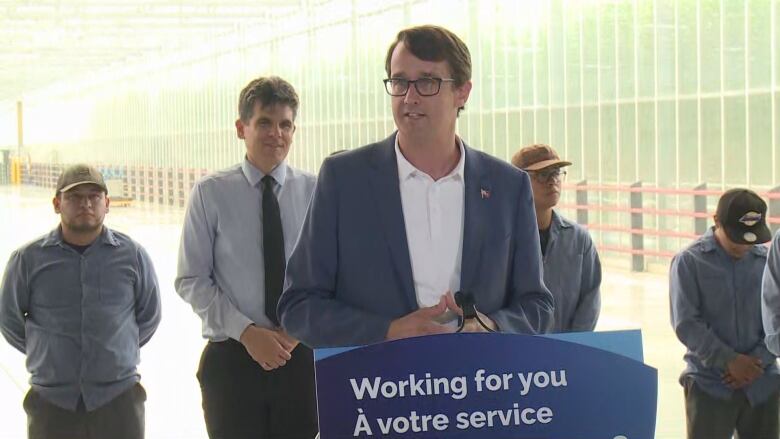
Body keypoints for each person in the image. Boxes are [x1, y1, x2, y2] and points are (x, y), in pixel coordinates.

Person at [278, 25, 554, 348]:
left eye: (426, 82)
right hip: (376, 390)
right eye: (399, 82)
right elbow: (298, 306)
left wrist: (490, 326)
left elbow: (537, 306)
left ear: (462, 92)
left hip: (480, 388)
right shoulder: (343, 181)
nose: (409, 97)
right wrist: (387, 331)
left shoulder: (509, 187)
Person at [175, 76, 317, 439]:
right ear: (242, 128)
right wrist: (247, 332)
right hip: (232, 358)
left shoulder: (316, 191)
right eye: (265, 123)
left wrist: (295, 330)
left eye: (285, 124)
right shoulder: (211, 194)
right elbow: (191, 278)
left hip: (300, 356)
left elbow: (331, 275)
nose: (277, 134)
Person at [0, 164, 161, 439]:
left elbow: (149, 316)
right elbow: (9, 320)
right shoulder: (28, 260)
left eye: (94, 196)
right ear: (56, 203)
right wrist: (48, 352)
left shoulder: (132, 256)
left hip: (118, 401)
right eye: (74, 197)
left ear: (107, 204)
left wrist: (114, 351)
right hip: (53, 403)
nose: (85, 203)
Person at [670, 188, 779, 439]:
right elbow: (686, 323)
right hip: (710, 385)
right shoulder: (689, 262)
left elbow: (776, 313)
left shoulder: (766, 261)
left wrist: (756, 363)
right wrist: (729, 360)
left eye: (751, 239)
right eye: (737, 237)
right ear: (716, 221)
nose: (744, 245)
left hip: (763, 383)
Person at [511, 144, 601, 332]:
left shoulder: (579, 241)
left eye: (556, 173)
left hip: (566, 354)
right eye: (542, 175)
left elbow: (589, 302)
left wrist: (571, 348)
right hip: (518, 353)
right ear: (517, 180)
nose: (552, 181)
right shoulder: (504, 240)